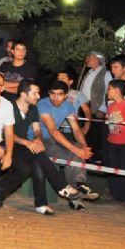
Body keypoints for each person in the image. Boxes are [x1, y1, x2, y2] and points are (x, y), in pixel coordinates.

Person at [0, 79, 82, 215]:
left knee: (38, 160)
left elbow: (37, 129)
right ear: (23, 94)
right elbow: (8, 134)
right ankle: (57, 190)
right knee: (30, 165)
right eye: (35, 93)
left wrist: (38, 140)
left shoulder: (33, 108)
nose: (39, 96)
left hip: (22, 146)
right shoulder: (9, 107)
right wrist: (28, 143)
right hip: (7, 145)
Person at [36, 80, 98, 208]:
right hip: (41, 140)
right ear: (48, 93)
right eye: (52, 94)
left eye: (59, 94)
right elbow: (52, 130)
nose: (55, 97)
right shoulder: (43, 103)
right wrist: (77, 150)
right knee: (72, 154)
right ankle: (76, 195)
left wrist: (84, 147)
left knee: (78, 150)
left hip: (56, 138)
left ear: (66, 95)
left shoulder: (69, 106)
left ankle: (79, 185)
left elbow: (76, 129)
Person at [104, 79, 125, 207]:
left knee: (124, 169)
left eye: (109, 89)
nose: (107, 91)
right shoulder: (111, 106)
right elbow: (108, 121)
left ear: (117, 91)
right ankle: (115, 193)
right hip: (112, 141)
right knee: (112, 168)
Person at [78, 51, 110, 162]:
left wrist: (103, 109)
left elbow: (108, 92)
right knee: (87, 132)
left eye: (89, 58)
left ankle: (97, 157)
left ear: (97, 60)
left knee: (96, 134)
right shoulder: (89, 72)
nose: (87, 59)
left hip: (97, 108)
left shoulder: (106, 73)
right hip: (85, 106)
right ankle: (88, 155)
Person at [57, 70, 92, 136]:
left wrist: (86, 128)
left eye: (63, 78)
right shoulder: (53, 94)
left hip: (72, 131)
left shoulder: (77, 94)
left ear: (70, 82)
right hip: (56, 130)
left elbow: (87, 111)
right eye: (58, 78)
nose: (59, 81)